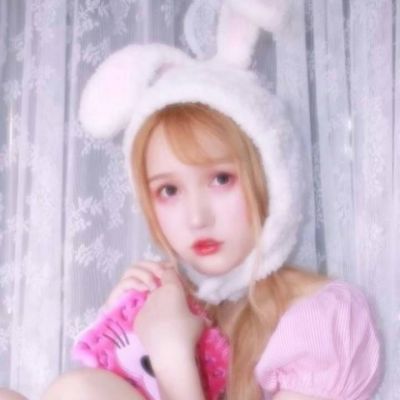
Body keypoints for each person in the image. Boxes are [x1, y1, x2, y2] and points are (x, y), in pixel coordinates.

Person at [1, 0, 382, 399]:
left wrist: (171, 353)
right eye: (169, 190)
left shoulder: (319, 320)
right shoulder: (178, 305)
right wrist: (121, 347)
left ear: (272, 178)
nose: (196, 218)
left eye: (221, 179)